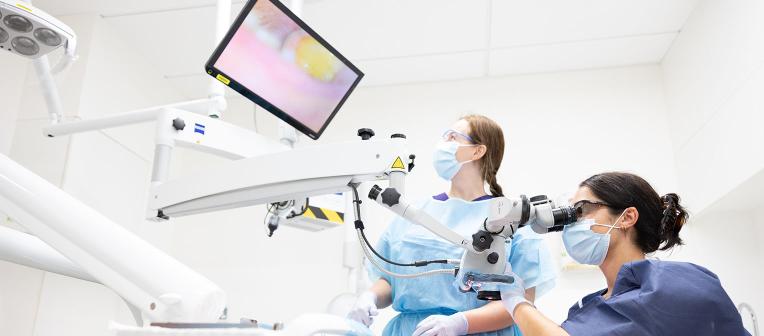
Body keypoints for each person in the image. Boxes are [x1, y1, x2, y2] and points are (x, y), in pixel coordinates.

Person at [348, 114, 557, 336]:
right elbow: (391, 279)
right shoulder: (411, 214)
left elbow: (521, 304)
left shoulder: (512, 219)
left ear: (477, 151)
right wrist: (369, 297)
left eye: (452, 137)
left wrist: (462, 322)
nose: (443, 143)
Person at [500, 172, 751, 336]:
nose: (571, 225)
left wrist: (516, 301)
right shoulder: (593, 304)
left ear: (627, 217)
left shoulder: (675, 281)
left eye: (581, 210)